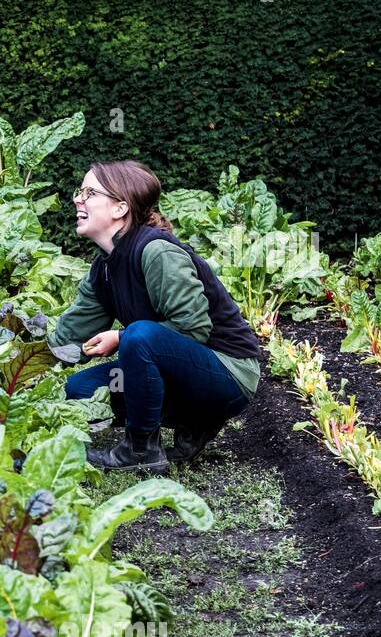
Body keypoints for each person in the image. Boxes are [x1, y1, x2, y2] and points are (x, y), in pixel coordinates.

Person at [49, 160, 262, 473]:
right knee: (80, 390)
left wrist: (120, 337)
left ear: (120, 208)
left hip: (227, 373)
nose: (77, 199)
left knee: (138, 337)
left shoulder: (157, 252)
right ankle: (194, 422)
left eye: (89, 193)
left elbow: (193, 329)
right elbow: (69, 336)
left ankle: (141, 450)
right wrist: (17, 369)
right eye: (79, 192)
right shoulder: (104, 267)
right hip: (179, 366)